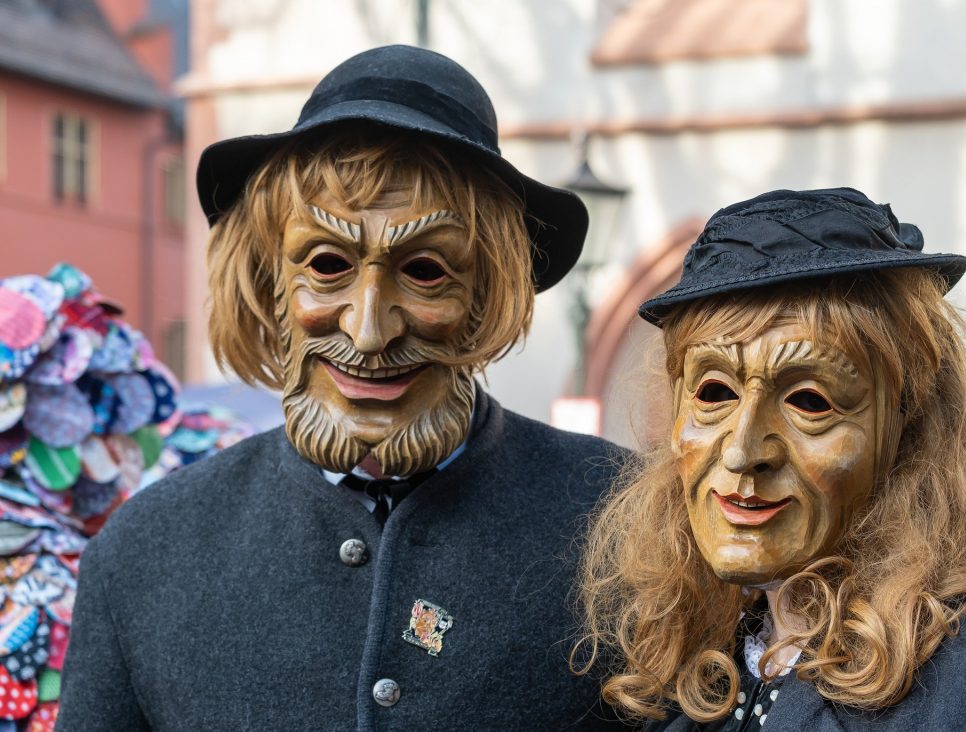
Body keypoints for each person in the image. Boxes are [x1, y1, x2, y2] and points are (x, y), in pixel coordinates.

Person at [58, 45, 630, 731]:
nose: (367, 332)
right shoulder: (147, 552)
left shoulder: (621, 526)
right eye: (328, 264)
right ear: (269, 283)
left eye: (424, 271)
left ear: (488, 293)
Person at [575, 188, 966, 730]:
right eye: (714, 393)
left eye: (810, 401)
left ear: (907, 430)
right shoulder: (677, 674)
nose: (742, 451)